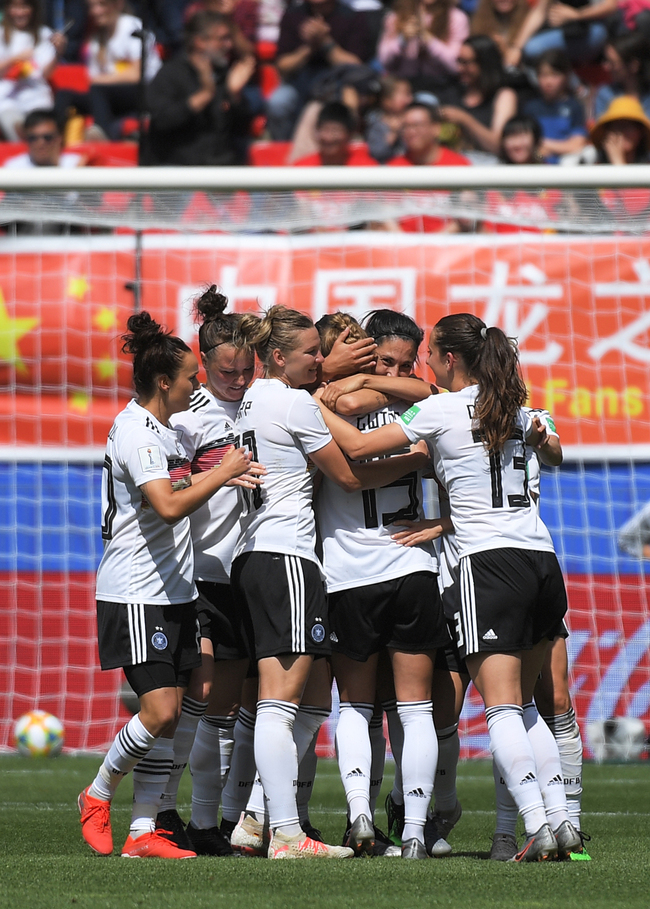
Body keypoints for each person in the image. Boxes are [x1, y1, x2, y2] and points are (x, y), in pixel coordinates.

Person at [316, 312, 586, 863]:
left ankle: (534, 824)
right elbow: (556, 452)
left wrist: (310, 405)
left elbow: (363, 448)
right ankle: (562, 823)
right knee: (531, 708)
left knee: (503, 709)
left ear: (450, 359)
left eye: (432, 355)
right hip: (542, 559)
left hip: (486, 567)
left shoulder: (437, 409)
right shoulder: (518, 409)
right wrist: (540, 438)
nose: (428, 366)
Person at [228, 305, 429, 859]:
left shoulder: (249, 399)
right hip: (288, 555)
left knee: (313, 701)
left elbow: (352, 402)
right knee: (281, 702)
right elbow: (348, 469)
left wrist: (356, 378)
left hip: (261, 556)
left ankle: (254, 818)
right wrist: (417, 462)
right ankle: (284, 834)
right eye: (313, 353)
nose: (320, 361)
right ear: (278, 357)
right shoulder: (294, 400)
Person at [77, 311, 262, 860]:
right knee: (158, 712)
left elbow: (170, 485)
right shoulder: (138, 431)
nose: (196, 385)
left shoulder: (157, 429)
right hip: (138, 591)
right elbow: (168, 505)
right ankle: (98, 791)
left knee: (193, 702)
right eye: (191, 378)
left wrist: (201, 475)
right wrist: (223, 472)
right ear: (165, 382)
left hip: (175, 588)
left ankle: (142, 833)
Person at [315, 309, 449, 859]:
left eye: (401, 364)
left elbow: (345, 402)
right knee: (372, 709)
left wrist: (352, 383)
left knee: (388, 710)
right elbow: (416, 394)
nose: (393, 372)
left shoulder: (323, 401)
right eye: (381, 361)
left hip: (386, 568)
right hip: (367, 570)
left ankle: (395, 825)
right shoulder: (423, 407)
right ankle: (386, 824)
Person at [151, 287, 257, 857]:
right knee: (205, 696)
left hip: (254, 570)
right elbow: (168, 490)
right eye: (225, 371)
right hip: (202, 570)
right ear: (204, 362)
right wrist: (217, 475)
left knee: (241, 702)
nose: (237, 381)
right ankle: (177, 814)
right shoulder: (188, 419)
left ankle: (229, 823)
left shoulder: (264, 402)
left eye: (246, 370)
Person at [146, 11, 254, 166]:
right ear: (200, 41)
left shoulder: (225, 75)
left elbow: (243, 129)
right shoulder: (170, 74)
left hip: (223, 171)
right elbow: (162, 121)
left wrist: (234, 94)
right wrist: (205, 94)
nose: (229, 45)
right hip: (179, 173)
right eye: (222, 39)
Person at [53, 0, 161, 142]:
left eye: (102, 5)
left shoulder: (131, 26)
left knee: (98, 90)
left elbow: (136, 74)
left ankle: (103, 136)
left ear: (117, 4)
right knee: (65, 94)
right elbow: (93, 77)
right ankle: (53, 137)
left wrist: (98, 81)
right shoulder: (96, 39)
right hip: (111, 95)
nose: (95, 11)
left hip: (145, 92)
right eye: (91, 7)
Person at [266, 0, 373, 141]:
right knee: (278, 102)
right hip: (298, 81)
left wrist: (325, 41)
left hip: (337, 83)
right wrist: (309, 47)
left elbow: (355, 66)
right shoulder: (293, 14)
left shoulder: (352, 16)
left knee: (348, 102)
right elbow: (283, 66)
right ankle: (284, 151)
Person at [387, 101, 470, 233]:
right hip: (403, 247)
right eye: (406, 126)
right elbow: (386, 218)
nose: (411, 131)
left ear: (436, 128)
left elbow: (467, 217)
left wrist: (434, 244)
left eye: (417, 125)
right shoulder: (393, 168)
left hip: (448, 247)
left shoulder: (459, 165)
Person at [438, 35, 517, 158]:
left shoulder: (503, 96)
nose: (460, 68)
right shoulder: (452, 92)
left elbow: (498, 146)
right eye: (459, 61)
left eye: (466, 63)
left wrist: (464, 119)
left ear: (485, 63)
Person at [0, 0, 67, 139]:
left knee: (41, 128)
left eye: (24, 7)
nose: (19, 12)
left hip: (36, 98)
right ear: (7, 8)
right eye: (15, 7)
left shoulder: (45, 33)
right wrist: (16, 58)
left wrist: (58, 52)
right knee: (13, 124)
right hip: (6, 100)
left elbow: (45, 73)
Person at [377, 0, 469, 94]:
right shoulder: (395, 17)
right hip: (404, 85)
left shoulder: (456, 18)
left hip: (441, 86)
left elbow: (455, 65)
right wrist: (403, 40)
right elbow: (385, 61)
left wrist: (428, 40)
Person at [522, 50, 587, 164]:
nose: (548, 82)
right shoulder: (530, 108)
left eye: (554, 75)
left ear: (566, 76)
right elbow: (527, 145)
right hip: (537, 166)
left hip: (566, 167)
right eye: (543, 75)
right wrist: (539, 155)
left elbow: (578, 144)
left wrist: (545, 144)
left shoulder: (574, 107)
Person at [505, 0, 615, 67]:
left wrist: (577, 15)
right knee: (529, 48)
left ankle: (577, 87)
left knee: (533, 49)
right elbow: (539, 13)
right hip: (567, 31)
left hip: (594, 32)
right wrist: (517, 48)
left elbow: (610, 6)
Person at [293, 101, 377, 165]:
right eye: (325, 130)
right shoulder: (301, 169)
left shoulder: (366, 170)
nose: (328, 138)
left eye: (335, 131)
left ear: (350, 134)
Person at [595, 32, 650, 122]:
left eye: (612, 62)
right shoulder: (605, 95)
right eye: (605, 60)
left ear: (633, 66)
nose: (605, 66)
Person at [2, 107, 84, 168]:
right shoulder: (13, 168)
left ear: (59, 138)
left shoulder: (76, 165)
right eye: (33, 138)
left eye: (47, 137)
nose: (40, 143)